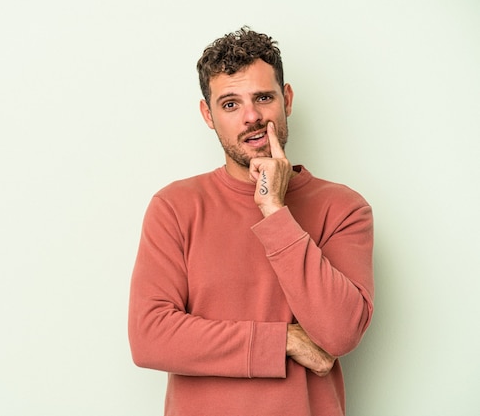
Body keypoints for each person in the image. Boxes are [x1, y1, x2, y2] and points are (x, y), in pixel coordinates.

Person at [128, 26, 374, 416]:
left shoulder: (342, 208)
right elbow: (150, 337)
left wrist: (275, 209)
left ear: (286, 99)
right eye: (230, 104)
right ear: (208, 115)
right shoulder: (174, 206)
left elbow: (340, 332)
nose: (252, 117)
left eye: (263, 97)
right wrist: (283, 342)